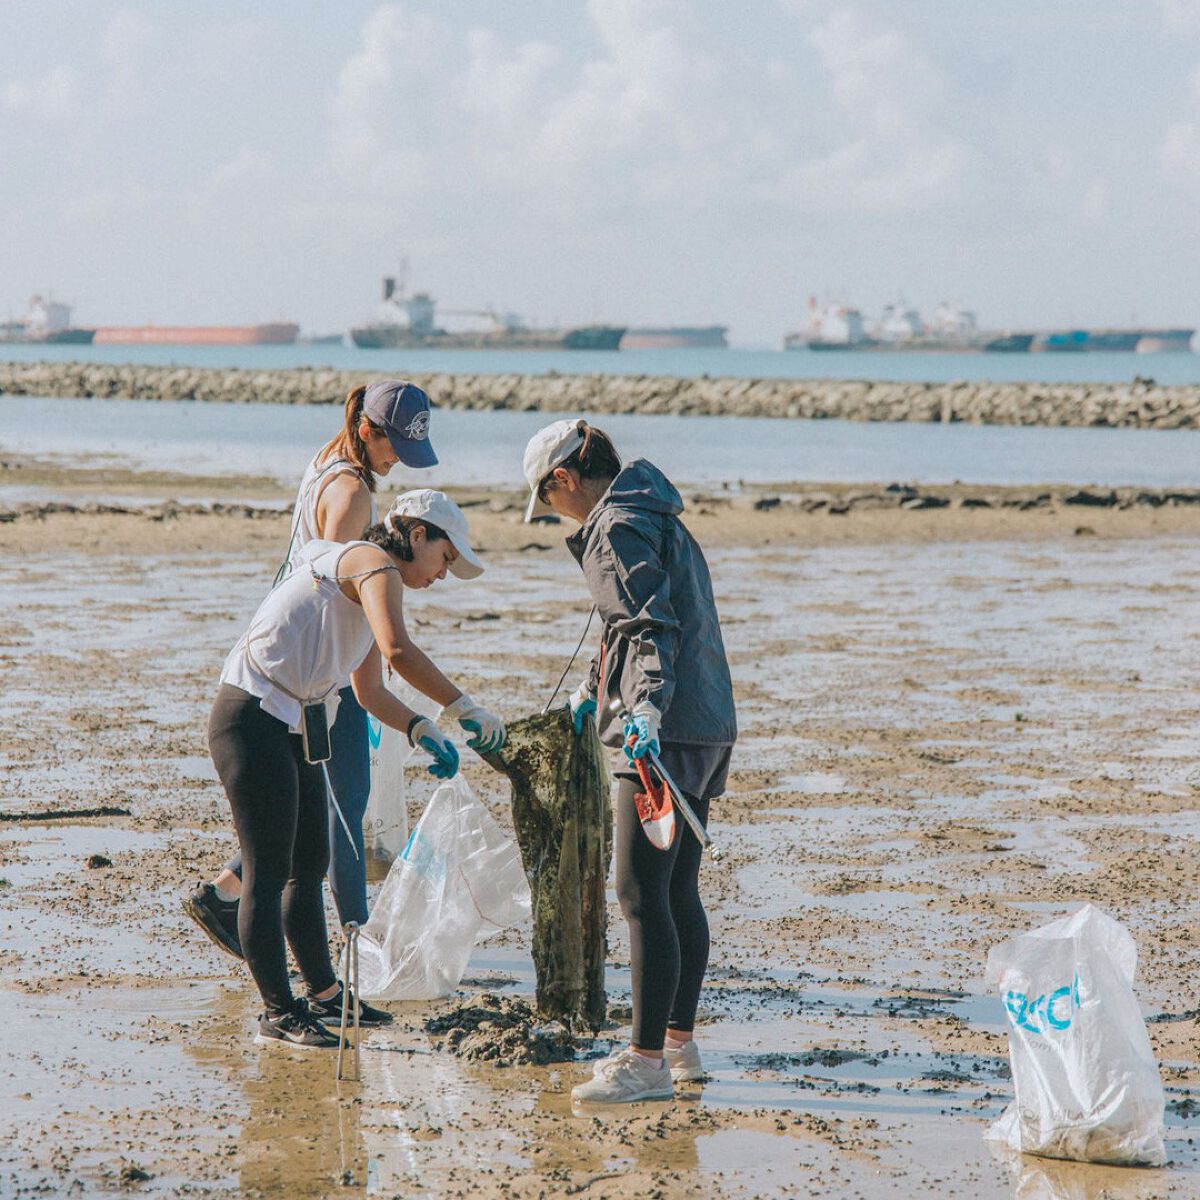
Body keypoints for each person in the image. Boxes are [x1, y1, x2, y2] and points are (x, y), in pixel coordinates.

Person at [207, 489, 506, 1048]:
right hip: (249, 717)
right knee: (268, 871)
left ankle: (324, 993)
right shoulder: (372, 563)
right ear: (417, 535)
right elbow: (399, 652)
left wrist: (419, 727)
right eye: (445, 557)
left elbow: (369, 691)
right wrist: (462, 706)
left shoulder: (371, 580)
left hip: (292, 721)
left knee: (309, 861)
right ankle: (278, 1012)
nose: (443, 574)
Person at [521, 419, 737, 1103]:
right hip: (705, 721)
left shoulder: (613, 526)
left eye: (548, 499)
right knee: (677, 893)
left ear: (563, 479)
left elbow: (647, 625)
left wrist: (644, 709)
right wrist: (594, 689)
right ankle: (678, 1046)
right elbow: (631, 623)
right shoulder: (652, 509)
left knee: (640, 894)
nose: (554, 511)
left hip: (664, 732)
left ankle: (644, 1063)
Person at [185, 380, 436, 966]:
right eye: (394, 447)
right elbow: (340, 588)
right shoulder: (353, 494)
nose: (398, 460)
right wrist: (370, 674)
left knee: (308, 811)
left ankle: (225, 893)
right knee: (341, 814)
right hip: (320, 675)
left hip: (296, 663)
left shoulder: (327, 460)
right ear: (367, 430)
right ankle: (355, 944)